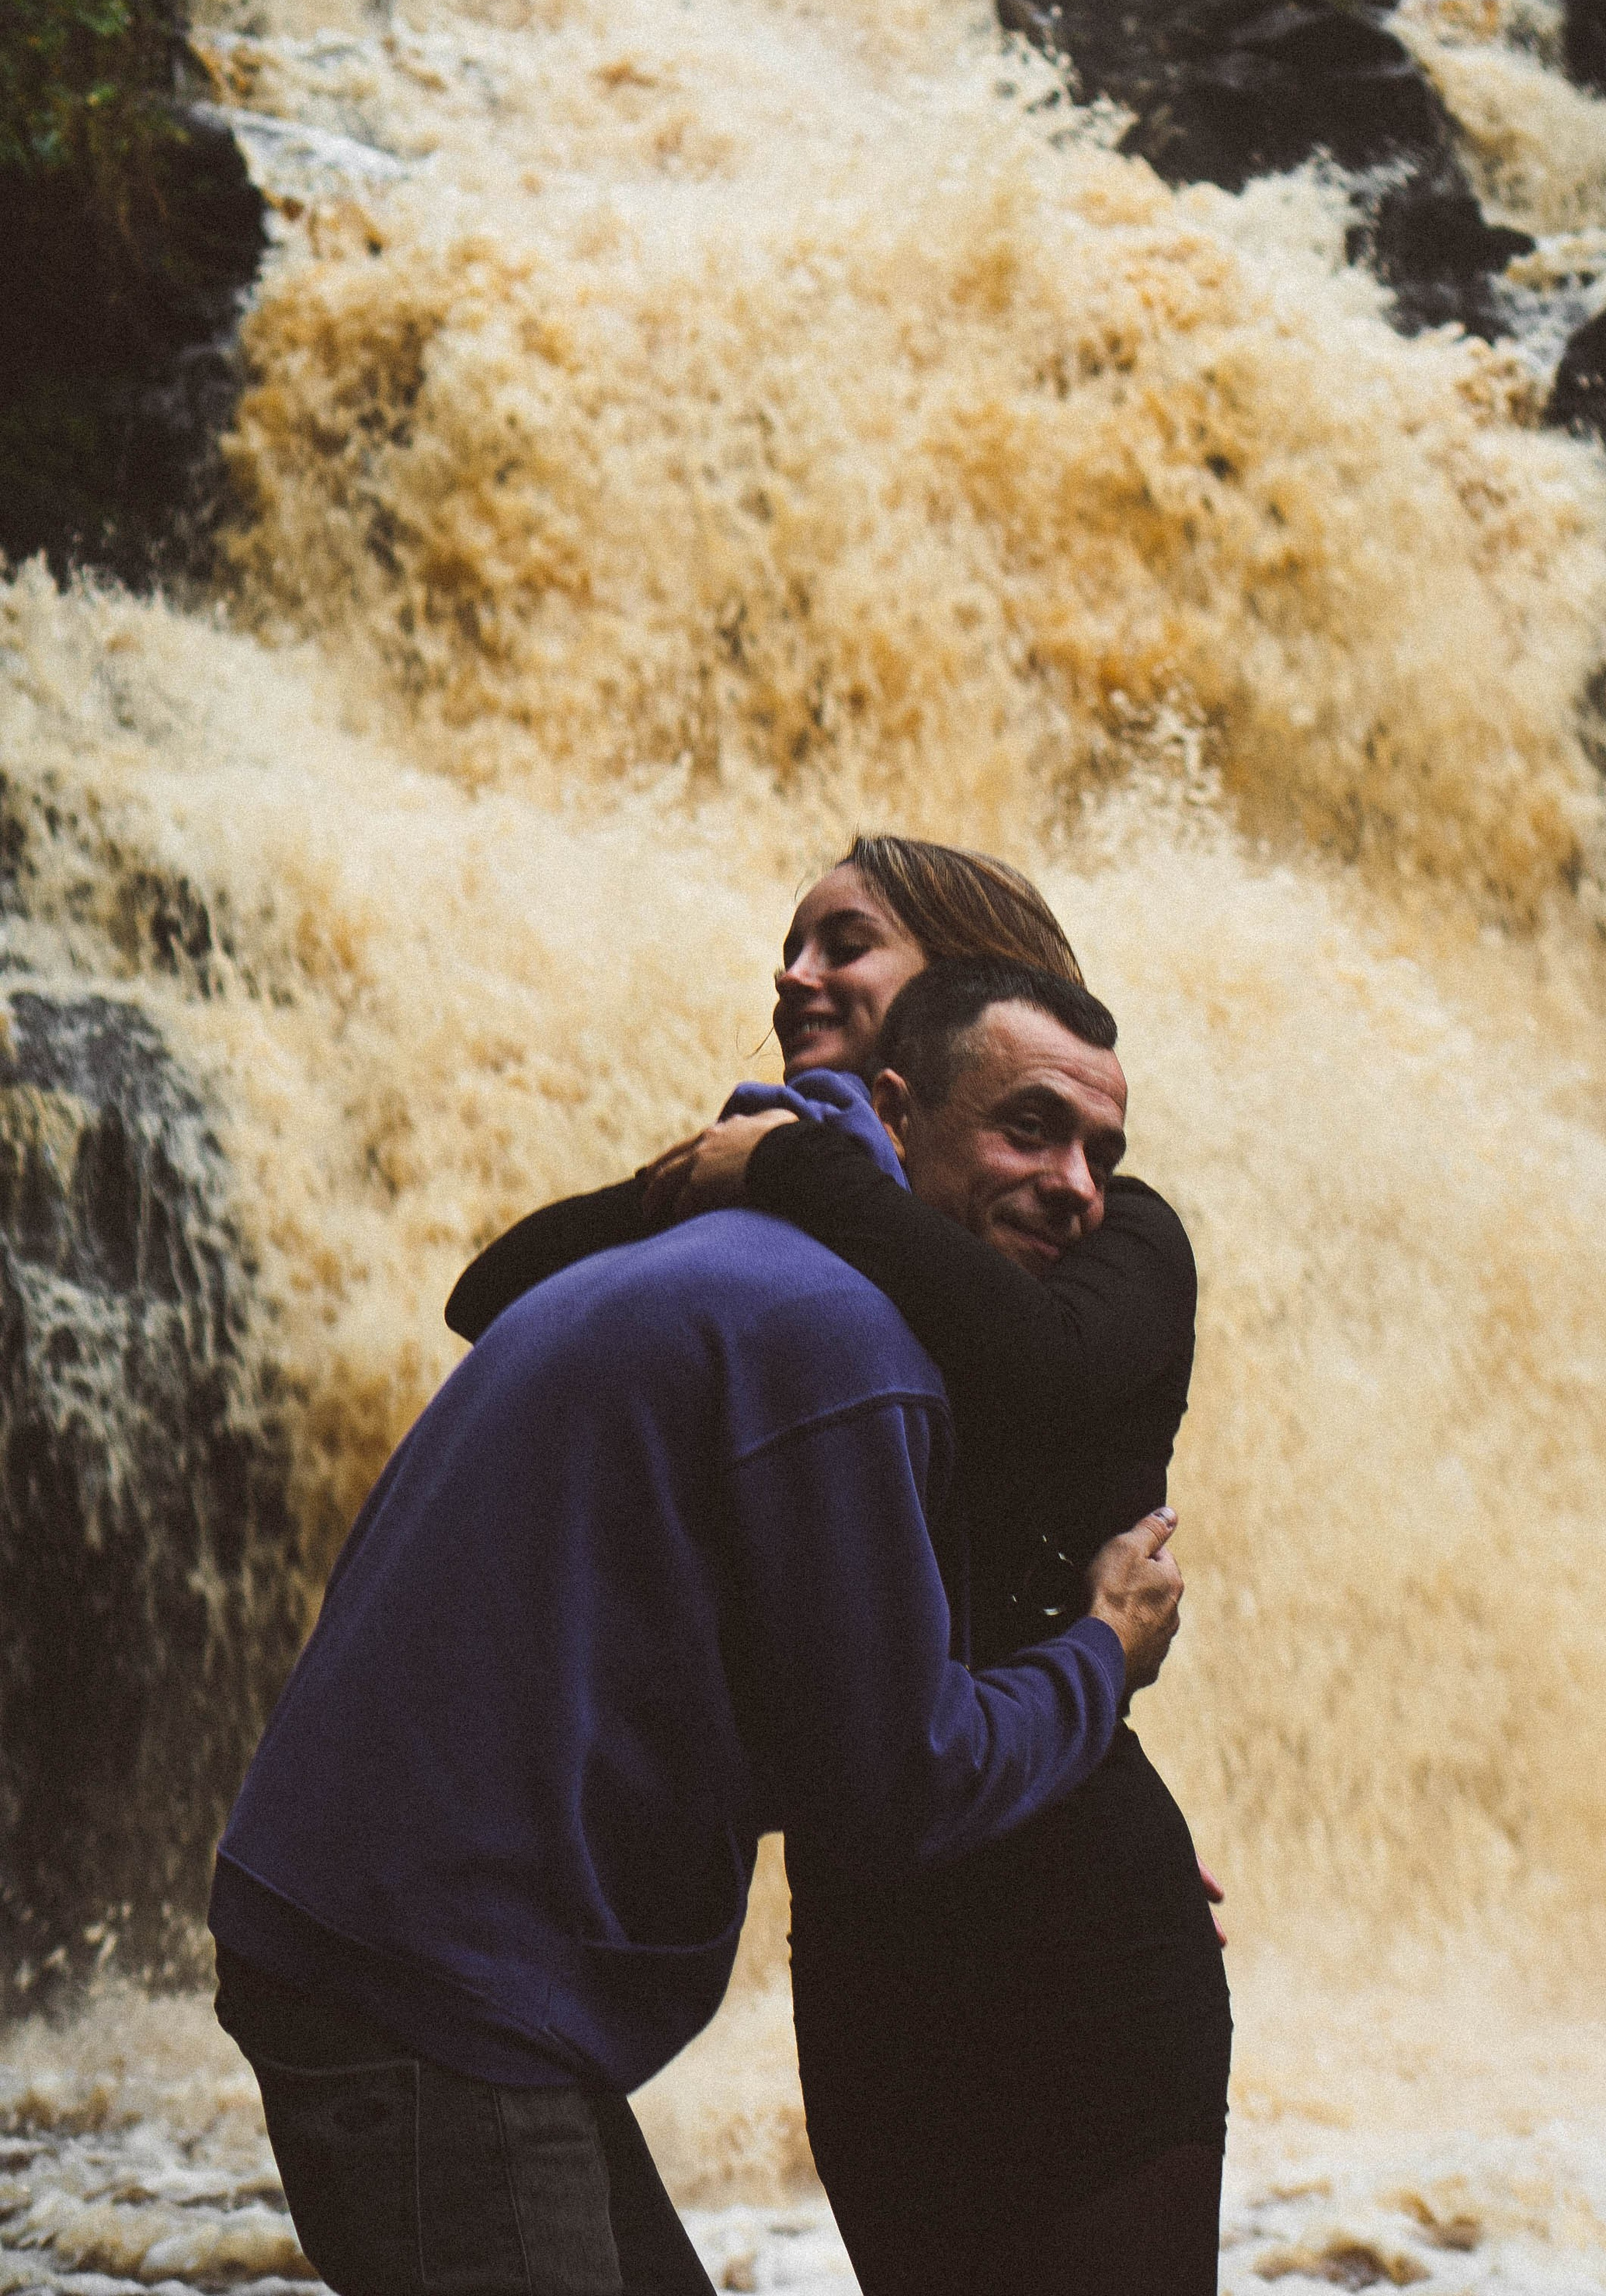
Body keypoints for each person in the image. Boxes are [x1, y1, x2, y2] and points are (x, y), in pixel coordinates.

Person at [209, 981, 1185, 2296]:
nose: (1077, 1187)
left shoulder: (746, 1266)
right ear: (895, 1113)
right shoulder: (845, 1343)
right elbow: (904, 1782)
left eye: (1101, 1155)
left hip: (409, 1943)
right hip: (429, 1987)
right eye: (1028, 1129)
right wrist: (1101, 1655)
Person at [447, 840, 1231, 2296]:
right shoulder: (793, 1221)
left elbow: (1032, 1366)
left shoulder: (1115, 1236)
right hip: (875, 1943)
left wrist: (795, 1163)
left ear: (972, 980)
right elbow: (496, 1297)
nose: (794, 975)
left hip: (1072, 1924)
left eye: (845, 943)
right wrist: (740, 1180)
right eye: (794, 945)